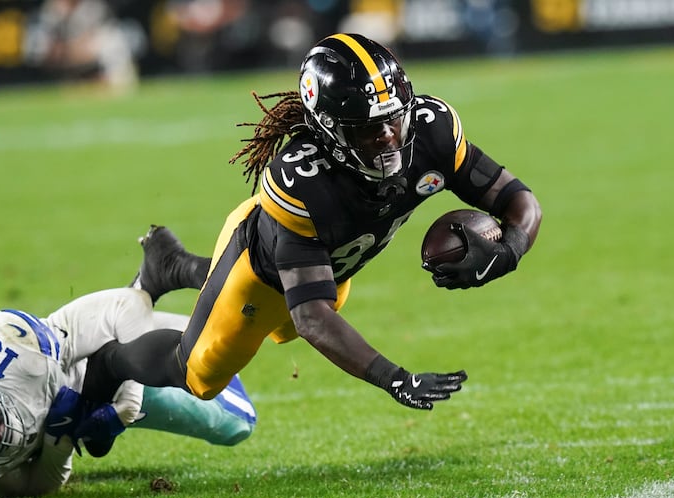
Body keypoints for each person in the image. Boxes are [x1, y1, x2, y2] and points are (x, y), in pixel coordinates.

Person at [84, 33, 542, 414]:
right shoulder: (303, 186)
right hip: (259, 272)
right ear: (329, 131)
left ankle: (174, 265)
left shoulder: (433, 132)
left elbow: (518, 199)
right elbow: (311, 317)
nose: (388, 137)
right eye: (368, 128)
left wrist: (512, 248)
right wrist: (396, 378)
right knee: (198, 373)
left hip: (329, 268)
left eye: (393, 119)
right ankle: (108, 363)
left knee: (286, 322)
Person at [0, 284, 256, 498]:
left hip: (94, 369)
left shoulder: (12, 350)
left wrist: (124, 402)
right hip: (72, 410)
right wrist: (57, 441)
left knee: (234, 424)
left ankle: (166, 299)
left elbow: (123, 304)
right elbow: (34, 488)